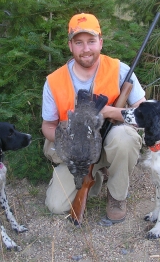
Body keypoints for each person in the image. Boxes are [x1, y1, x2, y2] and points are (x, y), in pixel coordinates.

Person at [41, 13, 145, 224]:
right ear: (70, 46)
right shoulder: (54, 81)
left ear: (101, 42)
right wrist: (68, 139)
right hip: (75, 156)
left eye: (91, 41)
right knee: (56, 206)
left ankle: (117, 197)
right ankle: (95, 177)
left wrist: (109, 112)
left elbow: (143, 113)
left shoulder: (120, 70)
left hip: (109, 145)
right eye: (79, 42)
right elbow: (47, 126)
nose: (86, 49)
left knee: (125, 137)